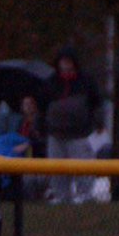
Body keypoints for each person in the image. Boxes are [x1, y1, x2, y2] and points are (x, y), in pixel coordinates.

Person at [41, 46, 104, 204]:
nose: (66, 65)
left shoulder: (85, 81)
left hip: (79, 134)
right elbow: (42, 106)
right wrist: (41, 126)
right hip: (56, 134)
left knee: (83, 167)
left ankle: (86, 196)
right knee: (56, 169)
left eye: (69, 61)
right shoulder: (51, 82)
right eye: (63, 61)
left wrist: (98, 122)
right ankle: (62, 197)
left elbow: (96, 103)